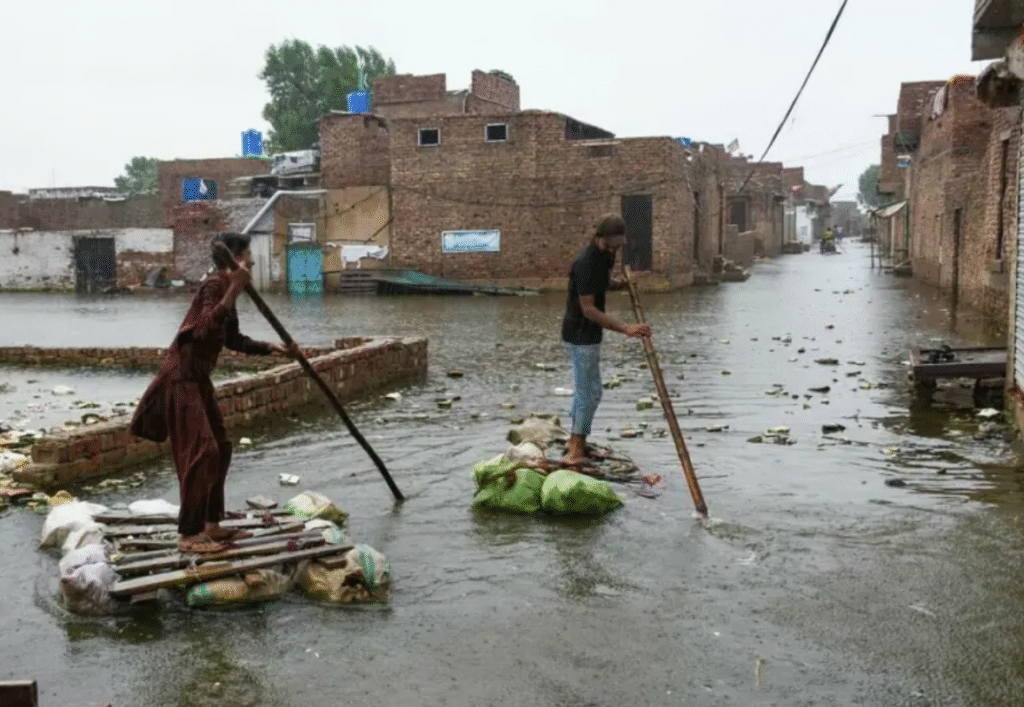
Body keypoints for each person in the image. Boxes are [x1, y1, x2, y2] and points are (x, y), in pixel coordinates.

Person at [129, 233, 300, 553]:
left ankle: (212, 523)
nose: (251, 261)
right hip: (181, 377)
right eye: (247, 255)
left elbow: (231, 338)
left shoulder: (227, 290)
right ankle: (189, 535)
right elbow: (205, 327)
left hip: (199, 378)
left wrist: (272, 349)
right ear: (235, 259)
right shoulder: (215, 286)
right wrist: (234, 288)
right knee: (202, 451)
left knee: (221, 446)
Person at [560, 214, 652, 467]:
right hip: (580, 333)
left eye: (617, 245)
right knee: (589, 392)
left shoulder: (605, 256)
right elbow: (589, 308)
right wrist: (626, 328)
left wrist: (620, 284)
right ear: (598, 237)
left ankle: (576, 442)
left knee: (587, 391)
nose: (613, 249)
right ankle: (575, 450)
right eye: (609, 244)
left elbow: (602, 283)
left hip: (590, 333)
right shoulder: (586, 262)